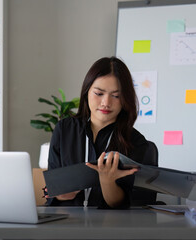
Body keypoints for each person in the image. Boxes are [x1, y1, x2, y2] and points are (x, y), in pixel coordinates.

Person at [46, 57, 156, 209]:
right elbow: (50, 187)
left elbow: (128, 206)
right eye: (99, 93)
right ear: (86, 92)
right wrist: (57, 193)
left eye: (116, 96)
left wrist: (107, 181)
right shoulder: (64, 129)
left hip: (109, 227)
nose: (106, 103)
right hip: (67, 223)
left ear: (125, 99)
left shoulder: (135, 142)